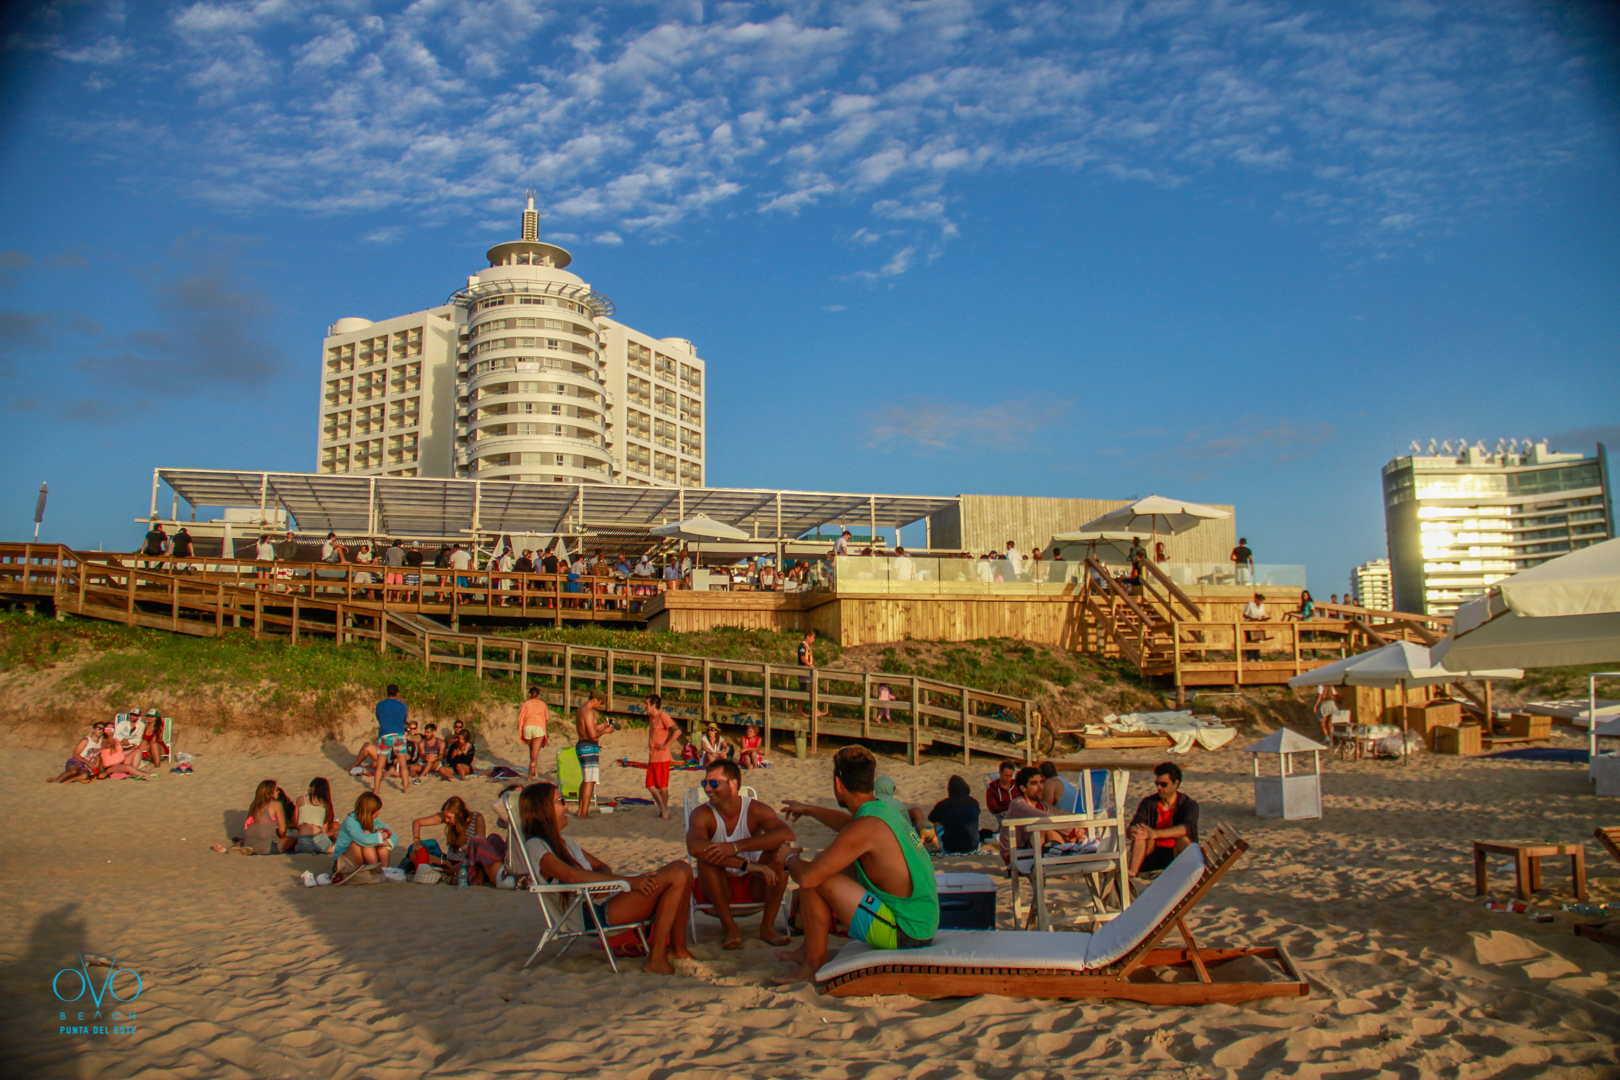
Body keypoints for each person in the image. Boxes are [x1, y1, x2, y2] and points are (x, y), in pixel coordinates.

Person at [773, 746, 938, 985]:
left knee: (816, 874)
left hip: (907, 934)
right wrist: (809, 809)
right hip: (922, 921)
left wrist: (789, 858)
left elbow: (808, 878)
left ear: (838, 784)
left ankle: (813, 964)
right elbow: (850, 825)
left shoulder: (865, 826)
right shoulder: (882, 811)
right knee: (823, 863)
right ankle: (806, 952)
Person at [516, 782, 697, 975]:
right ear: (543, 810)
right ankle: (656, 959)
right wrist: (628, 882)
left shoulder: (566, 842)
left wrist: (606, 884)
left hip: (605, 901)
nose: (567, 806)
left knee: (683, 868)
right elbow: (571, 875)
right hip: (592, 914)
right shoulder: (536, 846)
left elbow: (602, 866)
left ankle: (677, 950)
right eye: (561, 801)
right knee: (677, 874)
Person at [685, 759, 796, 949]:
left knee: (779, 851)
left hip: (754, 884)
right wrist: (746, 864)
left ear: (733, 784)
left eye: (714, 783)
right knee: (706, 857)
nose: (708, 789)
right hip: (718, 884)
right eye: (705, 783)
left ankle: (767, 928)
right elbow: (694, 847)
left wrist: (737, 846)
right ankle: (730, 928)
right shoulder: (702, 814)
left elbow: (787, 834)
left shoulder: (755, 809)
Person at [408, 796, 508, 886]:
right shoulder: (448, 818)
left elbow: (479, 848)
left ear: (459, 814)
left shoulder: (476, 818)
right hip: (450, 860)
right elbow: (417, 822)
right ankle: (447, 872)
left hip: (468, 862)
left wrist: (455, 867)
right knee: (413, 854)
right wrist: (417, 840)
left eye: (449, 817)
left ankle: (449, 874)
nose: (446, 820)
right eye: (445, 817)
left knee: (492, 839)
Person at [1127, 762, 1198, 879]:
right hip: (1151, 855)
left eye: (1164, 784)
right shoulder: (1148, 803)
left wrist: (1155, 834)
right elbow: (1132, 827)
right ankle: (1132, 873)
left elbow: (1188, 828)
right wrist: (1133, 831)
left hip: (1175, 856)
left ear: (1176, 784)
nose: (1159, 788)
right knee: (1141, 833)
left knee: (1185, 839)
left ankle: (1188, 876)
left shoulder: (1188, 805)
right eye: (1157, 784)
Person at [333, 792, 394, 883]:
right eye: (376, 810)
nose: (379, 812)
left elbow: (395, 838)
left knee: (379, 841)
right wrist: (382, 836)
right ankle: (376, 871)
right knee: (367, 838)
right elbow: (363, 839)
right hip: (343, 864)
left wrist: (385, 837)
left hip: (360, 859)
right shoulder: (350, 821)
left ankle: (385, 870)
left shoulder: (373, 819)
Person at [573, 688, 613, 818]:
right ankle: (584, 813)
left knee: (586, 780)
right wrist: (605, 731)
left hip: (581, 745)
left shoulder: (581, 709)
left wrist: (604, 724)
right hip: (589, 746)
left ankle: (581, 810)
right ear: (594, 700)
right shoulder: (589, 712)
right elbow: (592, 734)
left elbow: (590, 728)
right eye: (600, 703)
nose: (600, 706)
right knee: (590, 781)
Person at [926, 775, 983, 855]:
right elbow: (978, 814)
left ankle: (943, 844)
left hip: (950, 849)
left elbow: (932, 818)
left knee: (938, 823)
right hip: (972, 847)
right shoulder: (974, 802)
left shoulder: (944, 805)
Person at [644, 694, 680, 819]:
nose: (645, 706)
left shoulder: (663, 716)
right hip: (653, 757)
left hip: (662, 757)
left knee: (662, 786)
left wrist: (665, 744)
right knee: (650, 785)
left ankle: (664, 811)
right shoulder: (651, 717)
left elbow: (677, 731)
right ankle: (664, 810)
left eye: (647, 704)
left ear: (654, 705)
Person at [373, 683, 411, 794]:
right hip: (399, 735)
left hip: (386, 734)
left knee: (380, 765)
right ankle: (406, 789)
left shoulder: (380, 705)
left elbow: (379, 718)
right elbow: (404, 720)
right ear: (397, 693)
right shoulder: (403, 706)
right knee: (403, 764)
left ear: (387, 692)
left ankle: (376, 790)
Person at [243, 780, 296, 855]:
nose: (278, 792)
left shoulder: (253, 805)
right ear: (270, 792)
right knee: (292, 839)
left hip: (249, 844)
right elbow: (282, 831)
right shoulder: (276, 805)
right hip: (266, 847)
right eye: (276, 790)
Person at [294, 778, 338, 854]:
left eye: (311, 786)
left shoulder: (300, 800)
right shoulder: (326, 805)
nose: (309, 789)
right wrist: (336, 832)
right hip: (319, 840)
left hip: (303, 841)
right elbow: (324, 832)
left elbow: (296, 822)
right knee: (337, 845)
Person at [517, 686, 550, 781]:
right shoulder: (543, 704)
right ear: (538, 695)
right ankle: (529, 777)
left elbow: (521, 718)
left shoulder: (525, 704)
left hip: (527, 727)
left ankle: (535, 772)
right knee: (535, 755)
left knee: (532, 752)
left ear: (529, 694)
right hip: (538, 728)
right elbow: (547, 718)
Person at [985, 759, 1018, 825]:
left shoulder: (1016, 786)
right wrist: (1011, 806)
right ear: (1000, 773)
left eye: (1010, 776)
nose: (1009, 779)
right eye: (1006, 776)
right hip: (1005, 817)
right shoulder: (992, 790)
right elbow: (993, 809)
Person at [1242, 592, 1270, 662]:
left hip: (1257, 624)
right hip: (1249, 624)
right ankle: (1250, 657)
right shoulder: (1250, 605)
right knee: (1250, 641)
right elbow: (1245, 614)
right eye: (1260, 600)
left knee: (1257, 640)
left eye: (1262, 601)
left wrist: (1264, 618)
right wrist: (1251, 618)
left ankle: (1257, 656)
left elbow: (1262, 615)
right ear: (1257, 600)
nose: (1261, 602)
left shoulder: (1262, 606)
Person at [797, 629, 816, 716]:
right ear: (807, 637)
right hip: (804, 672)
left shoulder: (806, 647)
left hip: (807, 672)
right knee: (804, 691)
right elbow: (802, 658)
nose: (813, 640)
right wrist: (810, 666)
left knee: (811, 690)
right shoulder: (802, 646)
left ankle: (815, 710)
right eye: (812, 638)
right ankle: (800, 710)